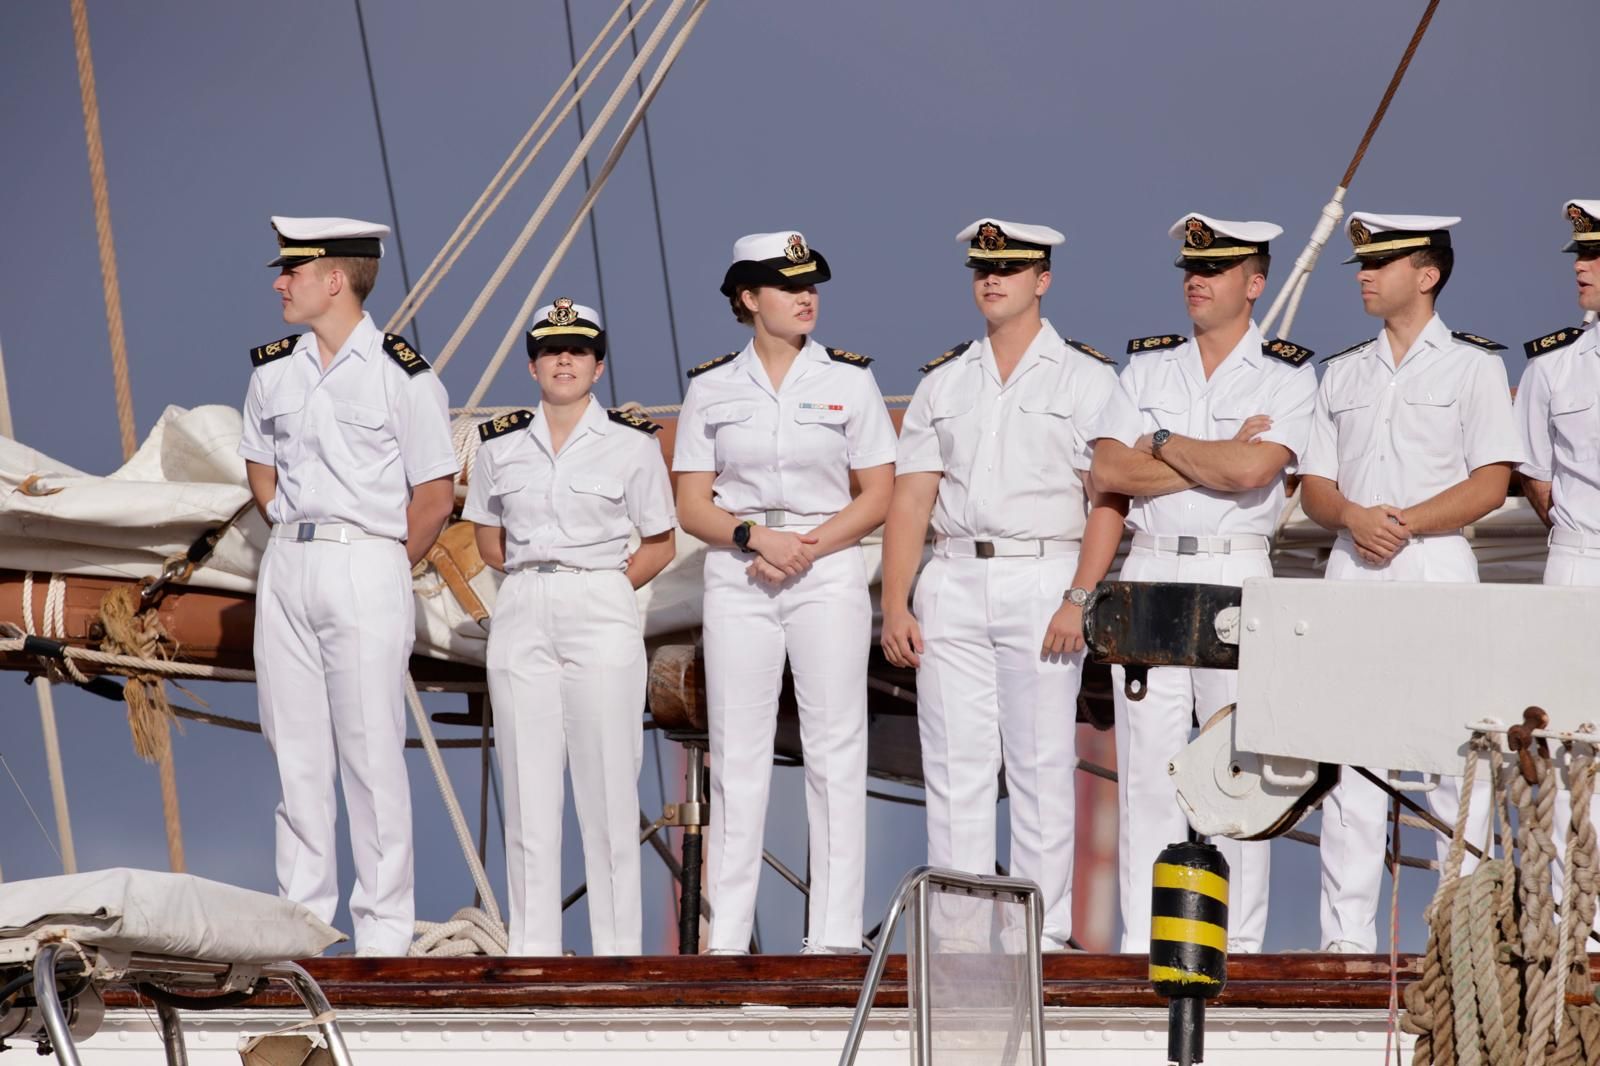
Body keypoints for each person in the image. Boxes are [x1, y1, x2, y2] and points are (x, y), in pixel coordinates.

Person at [880, 218, 1141, 951]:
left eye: (1010, 269)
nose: (992, 280)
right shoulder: (944, 380)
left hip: (1043, 572)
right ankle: (958, 937)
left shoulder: (1088, 379)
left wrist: (1080, 596)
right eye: (982, 269)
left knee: (1039, 762)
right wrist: (896, 599)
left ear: (1042, 280)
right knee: (955, 763)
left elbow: (1108, 500)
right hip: (955, 573)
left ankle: (1042, 932)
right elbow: (910, 498)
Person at [1089, 213, 1316, 954]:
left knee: (1241, 766)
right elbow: (1109, 472)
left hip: (1236, 568)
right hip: (1151, 562)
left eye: (1214, 270)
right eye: (1191, 267)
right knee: (1150, 767)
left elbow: (1255, 472)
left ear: (1254, 285)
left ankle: (1240, 946)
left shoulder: (1287, 372)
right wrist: (1202, 454)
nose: (1196, 278)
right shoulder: (1147, 368)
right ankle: (1141, 940)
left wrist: (1159, 443)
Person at [1299, 211, 1523, 952]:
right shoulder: (1343, 371)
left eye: (1383, 262)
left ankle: (1461, 940)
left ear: (1426, 275)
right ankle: (1345, 944)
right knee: (1350, 755)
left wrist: (1406, 522)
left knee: (1454, 760)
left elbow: (1492, 480)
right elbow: (1316, 488)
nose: (1365, 273)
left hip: (1435, 567)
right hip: (1353, 570)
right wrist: (1355, 518)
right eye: (1364, 262)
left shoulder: (1474, 368)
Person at [673, 231, 897, 954]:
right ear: (747, 297)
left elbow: (879, 493)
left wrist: (804, 546)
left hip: (825, 569)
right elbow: (691, 504)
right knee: (737, 748)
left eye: (812, 284)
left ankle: (831, 937)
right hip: (740, 572)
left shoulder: (850, 381)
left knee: (836, 745)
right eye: (787, 284)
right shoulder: (710, 387)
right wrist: (753, 539)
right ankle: (728, 938)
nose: (807, 297)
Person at [240, 216, 457, 955]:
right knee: (294, 753)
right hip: (289, 565)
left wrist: (389, 563)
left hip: (368, 560)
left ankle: (383, 937)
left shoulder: (405, 375)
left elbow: (434, 494)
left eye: (292, 272)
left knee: (370, 754)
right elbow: (259, 465)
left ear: (334, 279)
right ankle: (297, 929)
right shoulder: (271, 369)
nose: (279, 282)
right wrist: (286, 524)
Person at [463, 299, 676, 956]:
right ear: (532, 365)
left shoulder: (632, 446)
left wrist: (603, 585)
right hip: (524, 599)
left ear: (598, 364)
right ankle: (533, 953)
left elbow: (661, 543)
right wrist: (539, 581)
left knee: (609, 785)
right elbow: (487, 538)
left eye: (578, 350)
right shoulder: (498, 445)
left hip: (600, 600)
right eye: (552, 349)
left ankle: (616, 954)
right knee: (527, 789)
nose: (565, 359)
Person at [1514, 198, 1600, 923]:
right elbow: (1536, 474)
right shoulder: (1553, 367)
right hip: (1576, 562)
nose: (1582, 266)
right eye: (1581, 252)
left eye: (1596, 255)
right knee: (1567, 751)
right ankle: (1571, 926)